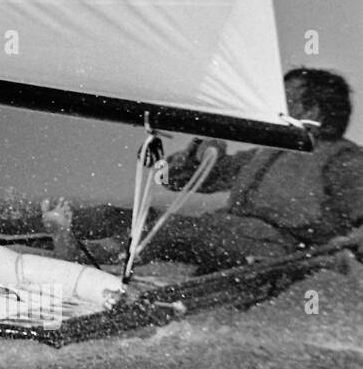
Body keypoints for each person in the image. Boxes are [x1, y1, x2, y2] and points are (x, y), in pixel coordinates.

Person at [47, 68, 363, 273]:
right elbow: (174, 180)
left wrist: (338, 258)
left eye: (284, 100)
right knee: (111, 216)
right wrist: (196, 152)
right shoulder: (266, 153)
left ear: (312, 111)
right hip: (225, 237)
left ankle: (80, 256)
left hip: (275, 255)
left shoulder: (346, 161)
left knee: (165, 230)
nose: (273, 107)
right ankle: (15, 233)